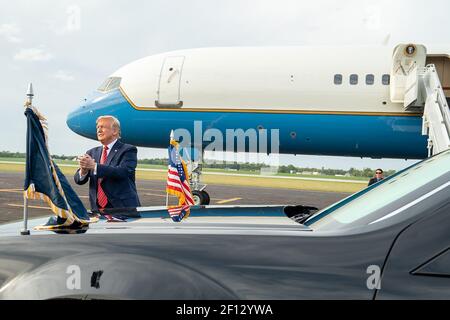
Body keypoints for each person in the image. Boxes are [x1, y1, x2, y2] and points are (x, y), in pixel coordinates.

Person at [74, 115, 141, 211]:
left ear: (115, 131)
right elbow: (78, 180)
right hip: (97, 209)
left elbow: (122, 172)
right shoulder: (91, 152)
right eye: (98, 127)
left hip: (122, 208)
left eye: (103, 127)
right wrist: (83, 170)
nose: (99, 130)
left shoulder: (128, 150)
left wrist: (94, 166)